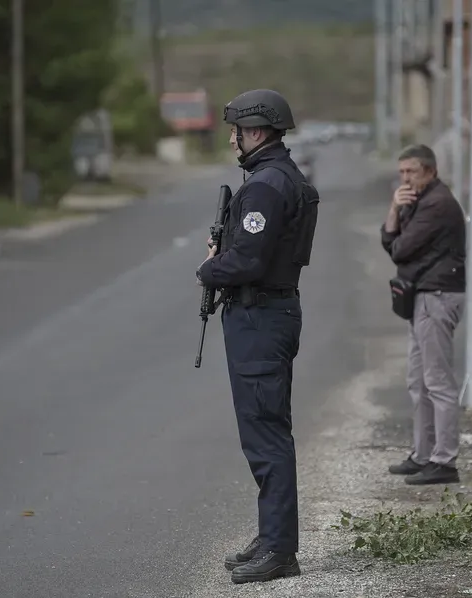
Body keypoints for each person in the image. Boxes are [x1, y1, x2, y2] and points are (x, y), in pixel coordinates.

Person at [195, 89, 319, 584]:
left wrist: (209, 267)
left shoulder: (266, 186)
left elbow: (248, 260)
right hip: (268, 313)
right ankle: (272, 537)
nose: (232, 139)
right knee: (264, 431)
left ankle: (279, 549)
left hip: (261, 317)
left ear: (258, 131)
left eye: (238, 130)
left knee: (266, 434)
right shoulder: (279, 178)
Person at [380, 144, 467, 486]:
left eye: (411, 172)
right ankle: (423, 454)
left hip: (438, 296)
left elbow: (400, 248)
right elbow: (391, 244)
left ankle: (444, 461)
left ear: (430, 171)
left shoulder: (437, 204)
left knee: (438, 382)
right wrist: (394, 208)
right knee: (418, 382)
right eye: (401, 172)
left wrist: (396, 214)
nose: (405, 179)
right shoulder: (416, 202)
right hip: (424, 296)